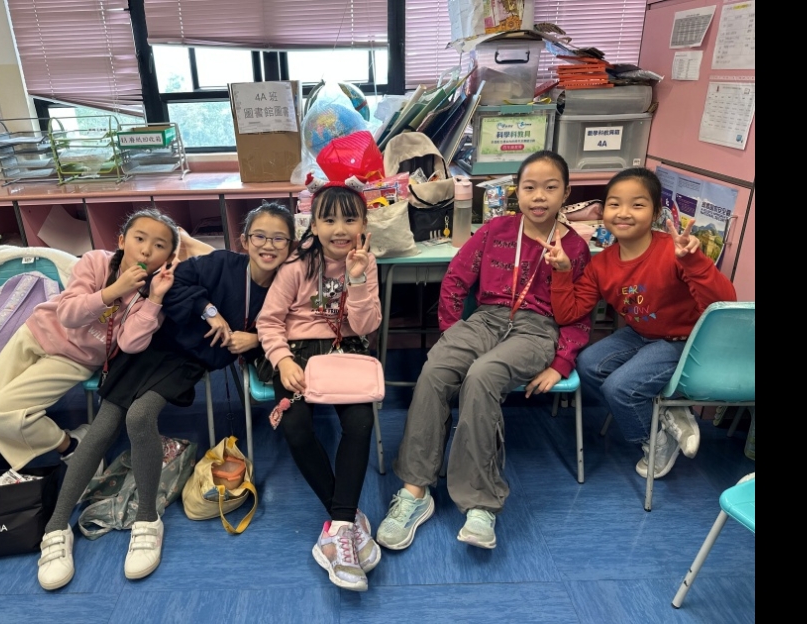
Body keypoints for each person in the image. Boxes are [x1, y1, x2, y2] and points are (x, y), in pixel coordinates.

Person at [37, 202, 295, 590]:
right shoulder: (222, 263)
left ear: (291, 246)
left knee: (140, 416)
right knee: (105, 424)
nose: (268, 245)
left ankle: (147, 519)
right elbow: (176, 286)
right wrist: (209, 310)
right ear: (244, 240)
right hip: (151, 343)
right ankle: (56, 528)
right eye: (260, 236)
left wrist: (255, 339)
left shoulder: (290, 282)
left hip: (189, 362)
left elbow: (299, 326)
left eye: (279, 238)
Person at [375, 150, 592, 553]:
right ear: (516, 192)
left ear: (565, 193)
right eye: (530, 187)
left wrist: (561, 363)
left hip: (536, 328)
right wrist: (450, 332)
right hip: (486, 319)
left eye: (550, 187)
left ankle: (480, 503)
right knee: (436, 370)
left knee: (482, 375)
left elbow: (579, 315)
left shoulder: (575, 248)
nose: (539, 196)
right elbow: (455, 279)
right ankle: (415, 491)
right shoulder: (496, 229)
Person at [540, 167, 736, 479]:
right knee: (588, 364)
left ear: (656, 213)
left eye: (638, 205)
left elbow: (723, 303)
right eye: (614, 204)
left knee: (621, 388)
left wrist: (693, 262)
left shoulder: (674, 250)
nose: (624, 213)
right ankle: (665, 413)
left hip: (684, 341)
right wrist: (562, 271)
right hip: (641, 334)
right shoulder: (602, 264)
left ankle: (654, 440)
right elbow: (568, 314)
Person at [0, 209, 180, 473]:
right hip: (35, 333)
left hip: (75, 359)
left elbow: (131, 344)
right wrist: (113, 291)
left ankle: (70, 444)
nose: (146, 251)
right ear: (121, 241)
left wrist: (154, 300)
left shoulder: (153, 296)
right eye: (139, 239)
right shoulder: (96, 261)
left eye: (159, 246)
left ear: (169, 258)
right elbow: (68, 315)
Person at [255, 180, 382, 592]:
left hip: (346, 349)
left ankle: (337, 530)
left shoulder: (366, 262)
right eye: (328, 220)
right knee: (295, 426)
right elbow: (268, 322)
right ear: (313, 225)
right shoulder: (296, 266)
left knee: (360, 422)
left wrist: (357, 279)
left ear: (364, 224)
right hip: (297, 353)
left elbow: (366, 325)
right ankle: (346, 519)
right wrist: (282, 360)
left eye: (350, 219)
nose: (339, 229)